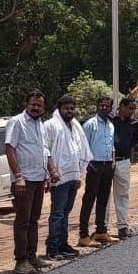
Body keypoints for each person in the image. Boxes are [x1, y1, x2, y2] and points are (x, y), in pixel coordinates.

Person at [5, 90, 54, 274]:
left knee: (34, 220)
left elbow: (44, 151)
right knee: (22, 221)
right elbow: (10, 149)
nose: (36, 108)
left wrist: (50, 173)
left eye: (39, 105)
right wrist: (18, 176)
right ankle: (21, 261)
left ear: (44, 107)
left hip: (38, 179)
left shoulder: (40, 124)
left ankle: (32, 256)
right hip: (23, 182)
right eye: (33, 104)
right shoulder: (16, 122)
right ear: (26, 104)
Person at [44, 95, 92, 258]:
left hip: (73, 176)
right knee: (57, 213)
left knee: (66, 211)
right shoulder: (50, 125)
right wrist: (51, 173)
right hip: (59, 178)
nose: (69, 111)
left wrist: (79, 175)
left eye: (72, 108)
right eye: (66, 108)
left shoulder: (75, 126)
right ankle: (52, 247)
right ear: (59, 109)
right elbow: (46, 151)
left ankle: (63, 243)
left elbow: (80, 149)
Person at [79, 96, 118, 247]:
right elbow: (83, 146)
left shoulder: (111, 125)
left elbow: (111, 145)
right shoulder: (90, 124)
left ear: (110, 108)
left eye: (107, 106)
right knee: (89, 199)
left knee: (103, 199)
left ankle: (101, 231)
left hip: (107, 165)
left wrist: (112, 163)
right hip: (94, 165)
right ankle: (83, 234)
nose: (104, 108)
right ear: (97, 106)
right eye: (101, 105)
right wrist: (88, 165)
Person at [110, 96, 138, 239]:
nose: (131, 112)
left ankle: (122, 227)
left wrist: (127, 146)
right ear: (121, 107)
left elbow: (137, 138)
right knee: (103, 195)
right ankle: (102, 229)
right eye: (130, 108)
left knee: (122, 194)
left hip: (123, 162)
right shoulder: (109, 121)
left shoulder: (134, 124)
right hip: (106, 161)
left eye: (134, 109)